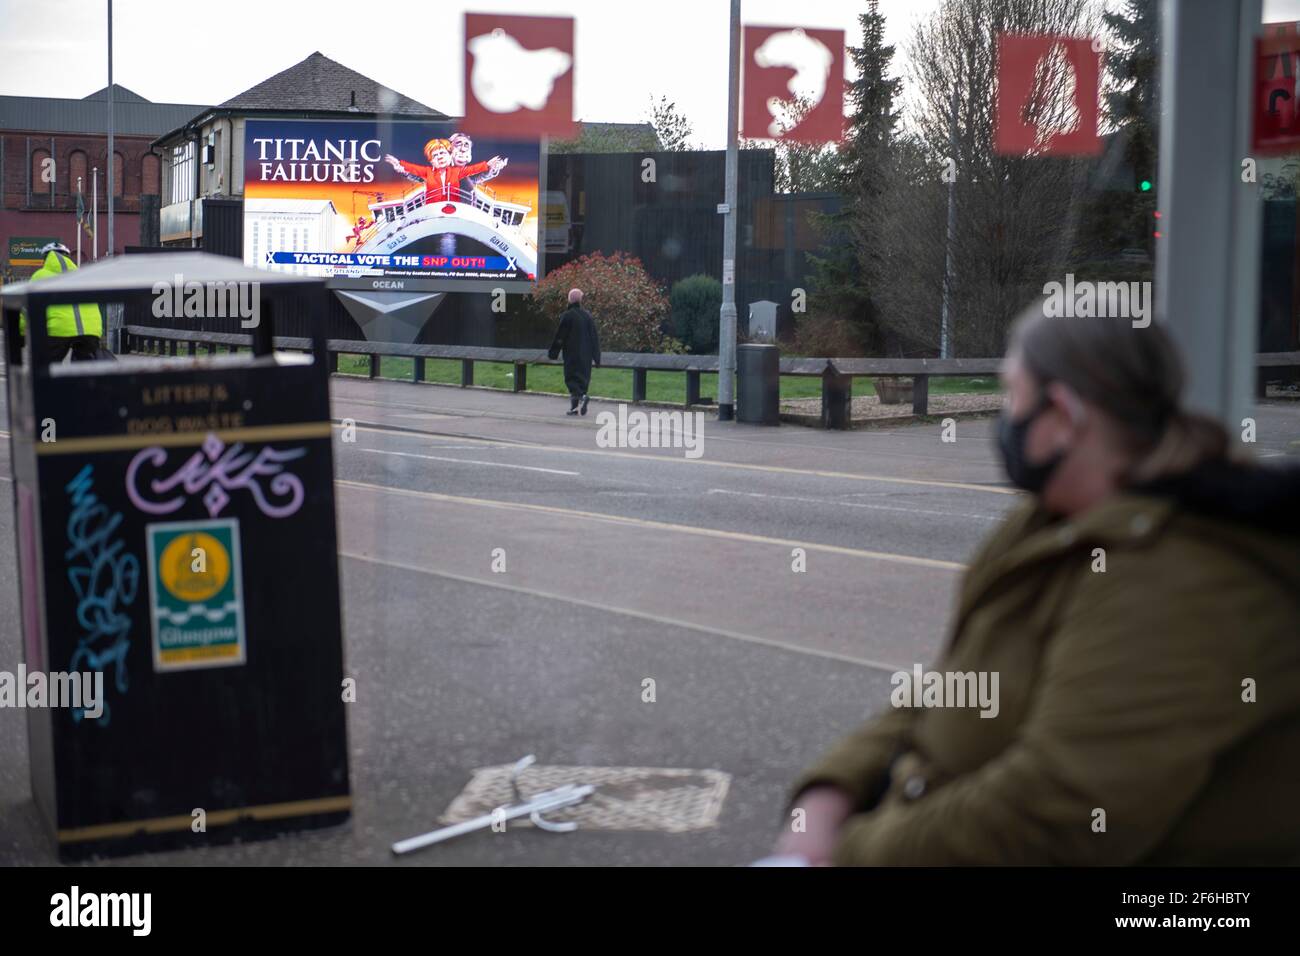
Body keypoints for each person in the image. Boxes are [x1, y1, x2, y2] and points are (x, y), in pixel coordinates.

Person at [776, 305, 1300, 865]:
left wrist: (850, 853)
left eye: (1013, 395)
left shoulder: (1184, 583)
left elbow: (1060, 812)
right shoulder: (1046, 521)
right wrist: (830, 793)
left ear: (1064, 415)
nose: (1005, 418)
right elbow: (957, 682)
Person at [19, 242, 104, 363]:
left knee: (47, 369)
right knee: (85, 372)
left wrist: (21, 334)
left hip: (57, 330)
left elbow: (26, 308)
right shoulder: (82, 276)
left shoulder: (39, 276)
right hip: (90, 330)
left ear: (46, 258)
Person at [384, 138, 505, 205]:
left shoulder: (457, 171)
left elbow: (472, 170)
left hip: (456, 208)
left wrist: (487, 165)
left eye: (442, 153)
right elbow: (413, 168)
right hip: (431, 210)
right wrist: (399, 165)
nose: (439, 157)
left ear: (450, 155)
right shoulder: (427, 172)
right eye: (435, 156)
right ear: (431, 161)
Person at [548, 288, 601, 415]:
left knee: (571, 378)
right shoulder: (587, 316)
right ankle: (574, 408)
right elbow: (594, 337)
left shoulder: (567, 316)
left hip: (572, 354)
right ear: (581, 300)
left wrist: (553, 352)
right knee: (583, 378)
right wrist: (597, 357)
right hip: (586, 354)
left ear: (569, 299)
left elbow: (560, 336)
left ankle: (582, 397)